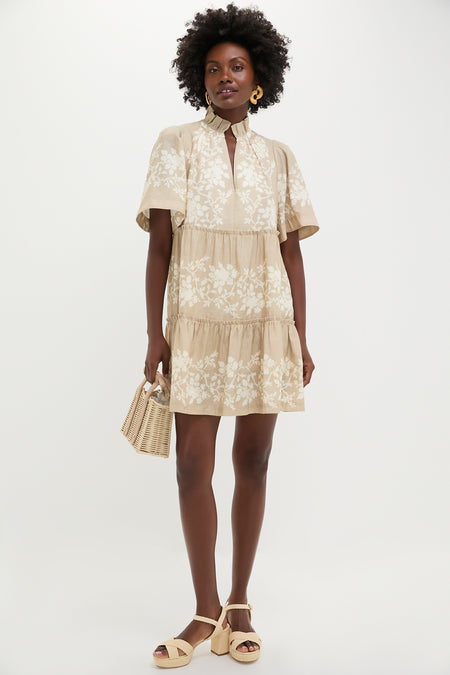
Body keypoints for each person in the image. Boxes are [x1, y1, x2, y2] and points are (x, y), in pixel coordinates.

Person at [135, 3, 320, 668]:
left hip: (265, 323)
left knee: (254, 461)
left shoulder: (280, 157)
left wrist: (300, 336)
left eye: (236, 67)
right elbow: (160, 247)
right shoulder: (175, 144)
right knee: (192, 464)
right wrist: (155, 334)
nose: (225, 77)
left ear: (258, 77)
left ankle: (240, 604)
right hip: (196, 326)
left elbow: (292, 253)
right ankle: (204, 609)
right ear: (199, 79)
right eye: (213, 69)